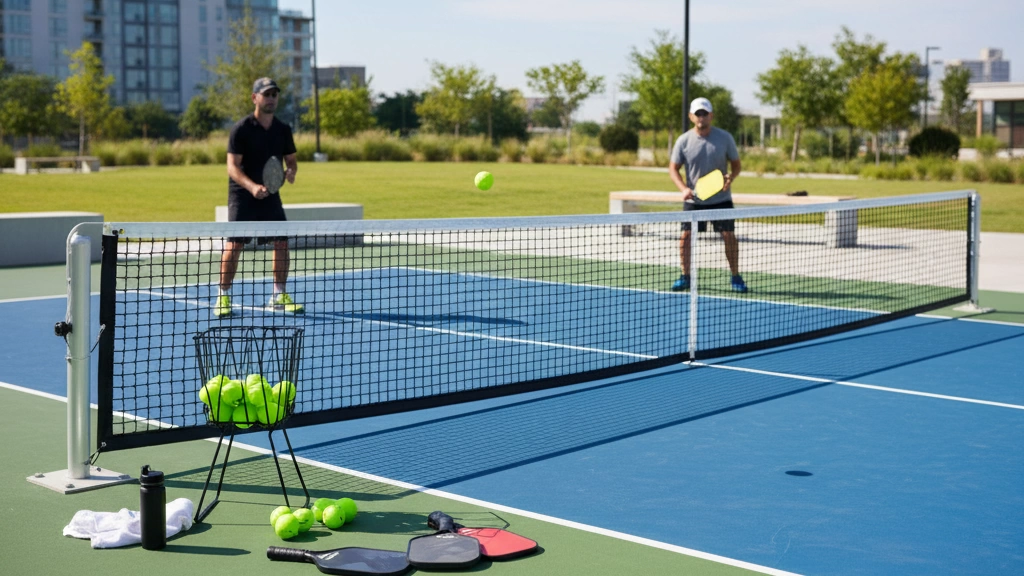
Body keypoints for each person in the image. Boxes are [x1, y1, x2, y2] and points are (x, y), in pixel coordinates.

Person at [214, 77, 304, 317]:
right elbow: (232, 167)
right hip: (242, 195)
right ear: (255, 98)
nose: (272, 98)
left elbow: (291, 159)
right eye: (267, 94)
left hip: (271, 194)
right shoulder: (241, 129)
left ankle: (278, 295)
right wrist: (252, 187)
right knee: (234, 245)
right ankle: (223, 296)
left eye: (274, 94)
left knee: (282, 242)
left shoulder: (283, 129)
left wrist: (291, 171)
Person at [668, 97, 746, 293]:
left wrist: (731, 177)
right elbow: (673, 168)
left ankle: (736, 276)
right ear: (691, 116)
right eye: (697, 113)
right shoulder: (683, 140)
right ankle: (685, 276)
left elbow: (736, 165)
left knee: (729, 236)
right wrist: (683, 189)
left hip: (721, 199)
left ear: (711, 116)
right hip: (694, 200)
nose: (701, 117)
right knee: (685, 237)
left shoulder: (725, 138)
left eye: (705, 113)